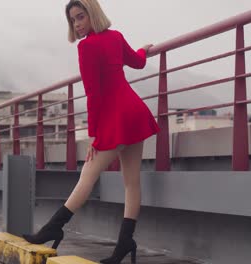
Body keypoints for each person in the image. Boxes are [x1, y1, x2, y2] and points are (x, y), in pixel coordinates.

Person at [23, 0, 160, 263]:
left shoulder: (87, 47)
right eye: (73, 20)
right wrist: (143, 51)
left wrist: (94, 135)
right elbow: (138, 63)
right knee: (131, 182)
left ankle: (53, 227)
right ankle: (124, 244)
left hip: (116, 117)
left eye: (80, 17)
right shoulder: (116, 37)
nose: (77, 24)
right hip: (133, 111)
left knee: (88, 175)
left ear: (92, 14)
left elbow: (93, 94)